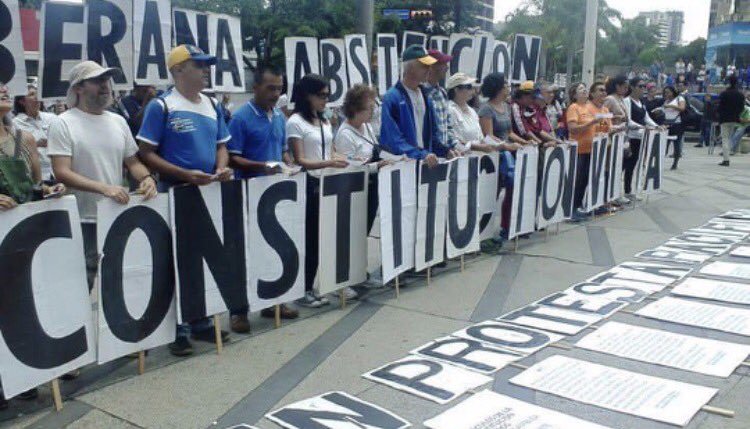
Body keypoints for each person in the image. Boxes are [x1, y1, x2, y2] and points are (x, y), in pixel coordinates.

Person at [137, 45, 233, 356]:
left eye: (208, 65)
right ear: (178, 70)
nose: (206, 71)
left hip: (206, 191)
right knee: (175, 261)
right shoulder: (162, 106)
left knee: (203, 259)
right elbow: (146, 153)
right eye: (199, 65)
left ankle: (200, 319)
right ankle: (176, 328)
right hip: (174, 191)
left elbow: (222, 144)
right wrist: (184, 173)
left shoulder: (212, 105)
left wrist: (221, 167)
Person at [49, 61, 157, 295]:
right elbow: (62, 172)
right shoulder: (63, 122)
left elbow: (133, 162)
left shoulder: (118, 121)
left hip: (116, 214)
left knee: (119, 280)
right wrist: (104, 188)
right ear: (78, 88)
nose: (105, 86)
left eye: (106, 80)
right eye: (98, 81)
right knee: (80, 284)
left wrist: (147, 178)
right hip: (82, 219)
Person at [0, 82, 66, 409]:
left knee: (23, 304)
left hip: (22, 238)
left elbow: (36, 185)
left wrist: (50, 190)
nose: (1, 88)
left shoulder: (23, 140)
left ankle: (22, 374)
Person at [226, 65, 298, 332]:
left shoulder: (278, 116)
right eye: (270, 88)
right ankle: (238, 311)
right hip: (246, 193)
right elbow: (233, 157)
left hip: (274, 194)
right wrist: (262, 165)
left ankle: (272, 301)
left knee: (273, 250)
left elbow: (282, 150)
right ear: (255, 87)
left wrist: (288, 163)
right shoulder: (241, 118)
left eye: (279, 88)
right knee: (243, 255)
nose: (275, 93)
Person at [287, 74, 348, 306]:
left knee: (323, 238)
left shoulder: (324, 121)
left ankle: (312, 285)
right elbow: (300, 159)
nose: (325, 100)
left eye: (327, 96)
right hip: (310, 184)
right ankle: (303, 288)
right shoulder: (296, 122)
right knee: (310, 240)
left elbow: (330, 150)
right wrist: (330, 163)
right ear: (307, 96)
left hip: (327, 183)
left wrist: (343, 159)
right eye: (321, 96)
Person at [335, 84, 390, 277]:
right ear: (356, 108)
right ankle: (347, 274)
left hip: (370, 187)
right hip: (354, 189)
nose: (372, 112)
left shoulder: (366, 127)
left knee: (362, 232)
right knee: (351, 234)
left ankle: (358, 271)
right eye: (369, 108)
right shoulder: (345, 134)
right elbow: (349, 168)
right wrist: (376, 166)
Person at [380, 45, 457, 166]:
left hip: (425, 164)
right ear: (410, 67)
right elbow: (393, 140)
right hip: (402, 167)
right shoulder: (392, 97)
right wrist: (422, 155)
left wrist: (446, 151)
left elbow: (433, 134)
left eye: (429, 65)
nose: (429, 69)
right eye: (424, 65)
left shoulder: (426, 96)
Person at [477, 73, 528, 242]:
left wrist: (524, 142)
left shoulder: (505, 106)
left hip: (509, 154)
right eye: (505, 84)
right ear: (498, 87)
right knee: (493, 193)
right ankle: (482, 232)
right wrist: (506, 146)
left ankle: (507, 227)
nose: (508, 87)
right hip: (495, 156)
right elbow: (488, 136)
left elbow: (509, 132)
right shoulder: (486, 109)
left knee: (512, 191)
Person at [566, 82, 612, 221]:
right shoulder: (574, 108)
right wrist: (590, 124)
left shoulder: (588, 108)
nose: (584, 91)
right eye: (581, 90)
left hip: (590, 149)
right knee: (577, 180)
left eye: (585, 89)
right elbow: (573, 128)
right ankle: (571, 209)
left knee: (584, 180)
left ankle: (578, 206)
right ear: (575, 95)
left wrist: (609, 128)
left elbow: (602, 126)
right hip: (578, 149)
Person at [623, 77, 659, 201]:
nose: (643, 89)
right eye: (640, 86)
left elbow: (646, 117)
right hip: (631, 137)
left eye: (644, 87)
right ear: (632, 87)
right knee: (627, 165)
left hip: (641, 137)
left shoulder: (641, 102)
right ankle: (625, 190)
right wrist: (641, 127)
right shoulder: (627, 101)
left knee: (634, 164)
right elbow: (628, 119)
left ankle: (629, 190)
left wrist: (657, 127)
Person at [13, 85, 58, 181]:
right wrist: (35, 144)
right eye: (31, 94)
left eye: (37, 94)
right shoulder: (15, 124)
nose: (37, 97)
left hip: (57, 172)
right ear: (22, 101)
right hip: (34, 174)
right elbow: (15, 152)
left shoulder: (52, 118)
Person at [446, 73, 497, 153]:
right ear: (456, 90)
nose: (473, 91)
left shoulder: (472, 111)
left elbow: (480, 138)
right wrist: (479, 147)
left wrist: (496, 144)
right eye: (469, 87)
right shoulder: (449, 110)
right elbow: (453, 141)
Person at [423, 49, 458, 152]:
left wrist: (453, 146)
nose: (447, 67)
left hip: (445, 153)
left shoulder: (442, 92)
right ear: (432, 67)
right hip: (429, 155)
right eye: (443, 63)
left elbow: (447, 124)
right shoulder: (421, 94)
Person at [718, 75, 746, 167]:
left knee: (725, 139)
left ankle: (726, 160)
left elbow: (720, 107)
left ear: (729, 82)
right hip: (735, 119)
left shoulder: (724, 94)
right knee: (730, 137)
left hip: (724, 119)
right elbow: (742, 108)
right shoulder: (740, 95)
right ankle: (730, 153)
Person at [655, 86, 685, 169]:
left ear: (673, 92)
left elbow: (682, 108)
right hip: (667, 123)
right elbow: (665, 111)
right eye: (665, 92)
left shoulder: (679, 99)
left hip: (677, 123)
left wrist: (671, 106)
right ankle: (660, 162)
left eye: (668, 92)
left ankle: (675, 162)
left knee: (677, 145)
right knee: (664, 144)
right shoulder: (666, 101)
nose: (666, 94)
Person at [510, 81, 543, 146]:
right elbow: (523, 130)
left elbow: (537, 129)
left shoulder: (527, 108)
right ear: (523, 95)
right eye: (532, 98)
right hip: (515, 144)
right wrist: (539, 142)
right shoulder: (515, 107)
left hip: (526, 143)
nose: (533, 101)